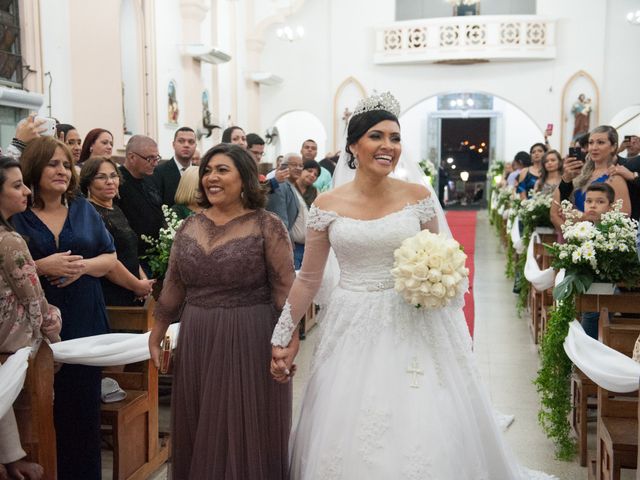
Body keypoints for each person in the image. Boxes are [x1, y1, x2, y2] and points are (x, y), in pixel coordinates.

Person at [269, 92, 554, 479]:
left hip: (412, 319)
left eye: (395, 138)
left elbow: (440, 259)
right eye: (376, 136)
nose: (388, 146)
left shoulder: (418, 197)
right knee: (350, 419)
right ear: (353, 145)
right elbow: (310, 277)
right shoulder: (327, 204)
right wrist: (283, 332)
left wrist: (441, 291)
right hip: (352, 322)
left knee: (422, 413)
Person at [149, 143, 295, 480]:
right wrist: (157, 334)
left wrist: (288, 341)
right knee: (202, 424)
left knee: (244, 425)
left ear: (244, 178)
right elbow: (173, 287)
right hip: (198, 334)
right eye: (207, 171)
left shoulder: (267, 225)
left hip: (250, 334)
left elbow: (285, 291)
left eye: (222, 170)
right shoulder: (189, 227)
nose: (211, 178)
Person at [11, 137, 117, 480]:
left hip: (86, 317)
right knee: (39, 410)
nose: (62, 171)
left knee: (83, 410)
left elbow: (109, 257)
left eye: (65, 164)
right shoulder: (17, 214)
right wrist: (43, 266)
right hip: (36, 323)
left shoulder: (84, 208)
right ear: (33, 169)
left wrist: (81, 267)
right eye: (52, 164)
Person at [0, 155, 62, 480]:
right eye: (17, 185)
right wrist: (55, 334)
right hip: (16, 344)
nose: (26, 191)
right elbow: (35, 302)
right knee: (35, 431)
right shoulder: (10, 241)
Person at [80, 157, 155, 305]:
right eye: (101, 177)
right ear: (88, 183)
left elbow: (129, 251)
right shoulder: (90, 213)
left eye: (113, 176)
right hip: (112, 295)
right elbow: (108, 261)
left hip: (134, 291)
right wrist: (136, 285)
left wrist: (143, 281)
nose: (110, 181)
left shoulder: (116, 209)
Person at [551, 125, 630, 233]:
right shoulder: (579, 175)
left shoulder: (615, 177)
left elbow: (622, 218)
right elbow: (555, 211)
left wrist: (582, 217)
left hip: (600, 242)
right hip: (574, 241)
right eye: (591, 142)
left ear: (613, 146)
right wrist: (571, 235)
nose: (594, 147)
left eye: (600, 142)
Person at [117, 135, 164, 263]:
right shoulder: (117, 182)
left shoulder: (151, 179)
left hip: (155, 254)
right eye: (150, 159)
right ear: (132, 157)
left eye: (157, 158)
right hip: (132, 258)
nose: (155, 163)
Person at [152, 127, 196, 207]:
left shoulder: (200, 171)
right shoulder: (159, 172)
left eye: (191, 142)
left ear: (195, 146)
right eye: (181, 141)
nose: (186, 145)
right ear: (173, 144)